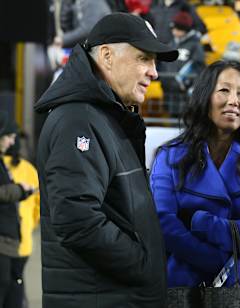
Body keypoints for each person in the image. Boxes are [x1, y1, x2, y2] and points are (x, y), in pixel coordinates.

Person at [35, 13, 178, 308]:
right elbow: (77, 220)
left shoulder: (104, 117)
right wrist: (143, 264)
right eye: (143, 58)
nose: (154, 72)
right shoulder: (78, 119)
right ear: (107, 55)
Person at [149, 60, 240, 290]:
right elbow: (163, 223)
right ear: (205, 97)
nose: (234, 101)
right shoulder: (168, 157)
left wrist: (204, 223)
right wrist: (215, 260)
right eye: (223, 90)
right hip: (182, 286)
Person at [0, 112, 35, 308]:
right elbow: (39, 205)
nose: (12, 140)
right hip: (16, 240)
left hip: (12, 240)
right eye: (11, 136)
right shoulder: (29, 170)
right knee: (14, 289)